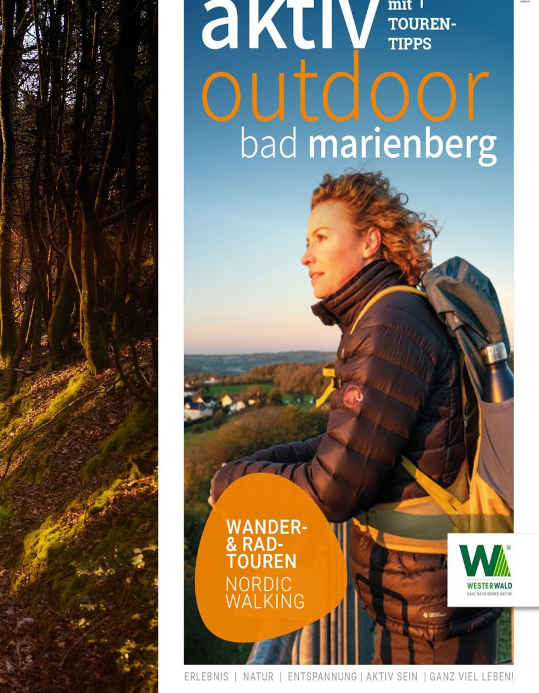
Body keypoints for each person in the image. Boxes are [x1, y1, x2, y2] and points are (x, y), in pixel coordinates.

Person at [209, 171, 501, 664]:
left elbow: (333, 487)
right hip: (429, 594)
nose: (306, 255)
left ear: (370, 242)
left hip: (431, 613)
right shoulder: (385, 316)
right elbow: (341, 446)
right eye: (307, 241)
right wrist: (247, 467)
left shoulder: (389, 326)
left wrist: (238, 484)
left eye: (321, 238)